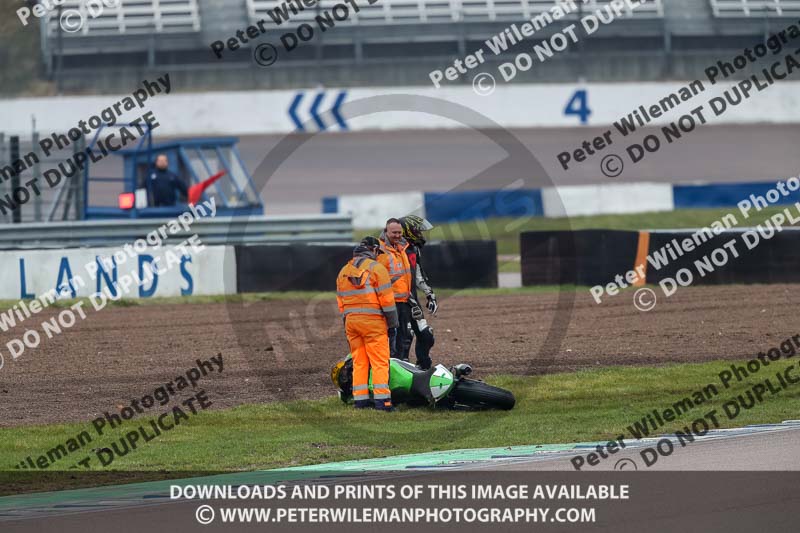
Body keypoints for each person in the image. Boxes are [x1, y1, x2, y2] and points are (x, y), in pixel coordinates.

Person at [335, 236, 398, 411]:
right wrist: (393, 324)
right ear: (374, 250)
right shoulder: (377, 268)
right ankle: (383, 402)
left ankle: (360, 401)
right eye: (378, 252)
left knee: (359, 362)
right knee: (379, 362)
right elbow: (387, 301)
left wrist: (348, 320)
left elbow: (341, 302)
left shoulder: (343, 271)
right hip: (373, 323)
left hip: (351, 323)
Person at [399, 215, 437, 370]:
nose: (421, 235)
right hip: (398, 303)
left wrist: (430, 294)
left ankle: (423, 366)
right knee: (405, 337)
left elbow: (418, 275)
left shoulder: (414, 249)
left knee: (426, 335)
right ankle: (402, 370)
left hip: (413, 301)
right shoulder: (394, 251)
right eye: (418, 231)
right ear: (409, 231)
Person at [377, 218, 413, 361]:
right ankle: (389, 365)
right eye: (394, 233)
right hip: (389, 302)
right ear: (386, 231)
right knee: (391, 337)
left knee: (404, 336)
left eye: (399, 232)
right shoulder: (380, 250)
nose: (397, 235)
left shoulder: (401, 247)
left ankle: (402, 363)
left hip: (403, 300)